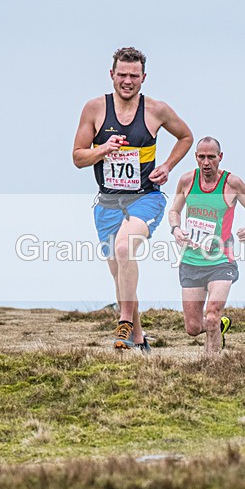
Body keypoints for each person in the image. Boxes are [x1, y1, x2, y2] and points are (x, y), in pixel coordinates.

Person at [73, 47, 193, 352]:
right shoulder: (94, 109)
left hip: (145, 198)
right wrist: (102, 150)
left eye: (134, 76)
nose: (128, 81)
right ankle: (139, 340)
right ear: (112, 75)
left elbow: (186, 136)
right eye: (122, 75)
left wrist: (166, 166)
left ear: (143, 78)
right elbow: (78, 157)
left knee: (124, 248)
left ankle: (123, 321)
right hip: (107, 204)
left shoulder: (156, 110)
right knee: (121, 276)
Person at [168, 137, 245, 353]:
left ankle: (212, 368)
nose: (206, 162)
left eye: (211, 157)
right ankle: (220, 326)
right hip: (191, 260)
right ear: (196, 158)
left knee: (211, 316)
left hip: (221, 261)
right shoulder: (186, 181)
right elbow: (174, 210)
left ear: (220, 157)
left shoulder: (232, 183)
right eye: (201, 157)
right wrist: (175, 228)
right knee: (193, 327)